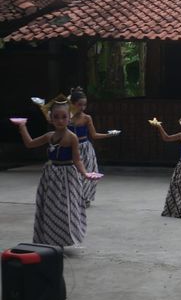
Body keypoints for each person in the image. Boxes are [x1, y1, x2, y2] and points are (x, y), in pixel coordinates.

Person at [14, 95, 95, 252]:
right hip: (51, 176)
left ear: (69, 118)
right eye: (56, 117)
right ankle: (50, 240)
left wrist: (85, 174)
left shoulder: (72, 138)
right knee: (49, 207)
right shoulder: (49, 136)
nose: (60, 120)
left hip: (68, 176)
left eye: (64, 117)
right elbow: (30, 144)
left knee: (66, 208)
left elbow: (77, 160)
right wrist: (23, 127)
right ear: (50, 118)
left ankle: (65, 238)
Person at [68, 86, 119, 207]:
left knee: (89, 172)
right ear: (73, 104)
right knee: (71, 173)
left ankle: (85, 198)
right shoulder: (66, 117)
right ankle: (72, 197)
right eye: (79, 105)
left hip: (85, 148)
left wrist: (109, 135)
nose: (82, 107)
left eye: (84, 105)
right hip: (70, 148)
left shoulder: (87, 118)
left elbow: (94, 135)